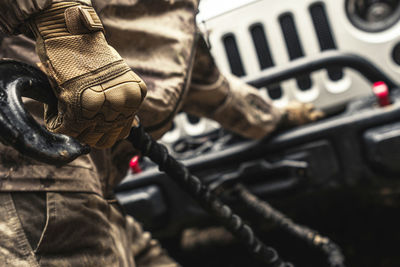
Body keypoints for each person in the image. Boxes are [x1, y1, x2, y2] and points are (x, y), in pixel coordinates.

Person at [0, 0, 322, 266]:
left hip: (92, 187)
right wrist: (65, 25)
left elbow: (208, 88)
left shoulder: (175, 12)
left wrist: (276, 118)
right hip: (30, 175)